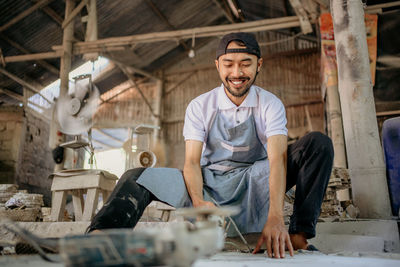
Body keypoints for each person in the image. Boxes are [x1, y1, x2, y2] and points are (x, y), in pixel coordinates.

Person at [87, 32, 334, 259]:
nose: (237, 73)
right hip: (207, 183)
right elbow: (192, 162)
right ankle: (102, 238)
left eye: (246, 64)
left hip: (254, 179)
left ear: (259, 65)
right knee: (137, 176)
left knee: (318, 144)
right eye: (228, 64)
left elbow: (277, 160)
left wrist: (276, 218)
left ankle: (297, 237)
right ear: (217, 66)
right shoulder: (200, 106)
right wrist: (198, 203)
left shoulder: (270, 104)